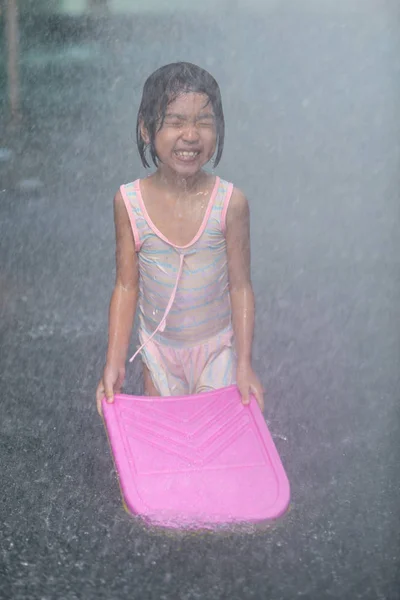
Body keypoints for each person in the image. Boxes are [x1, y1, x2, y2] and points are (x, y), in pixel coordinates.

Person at [96, 62, 264, 415]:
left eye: (204, 121)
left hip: (216, 349)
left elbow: (240, 287)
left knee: (213, 443)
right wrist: (114, 361)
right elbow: (127, 286)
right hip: (159, 351)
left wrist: (244, 363)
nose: (191, 135)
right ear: (146, 129)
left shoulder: (229, 203)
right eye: (175, 121)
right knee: (169, 444)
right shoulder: (129, 203)